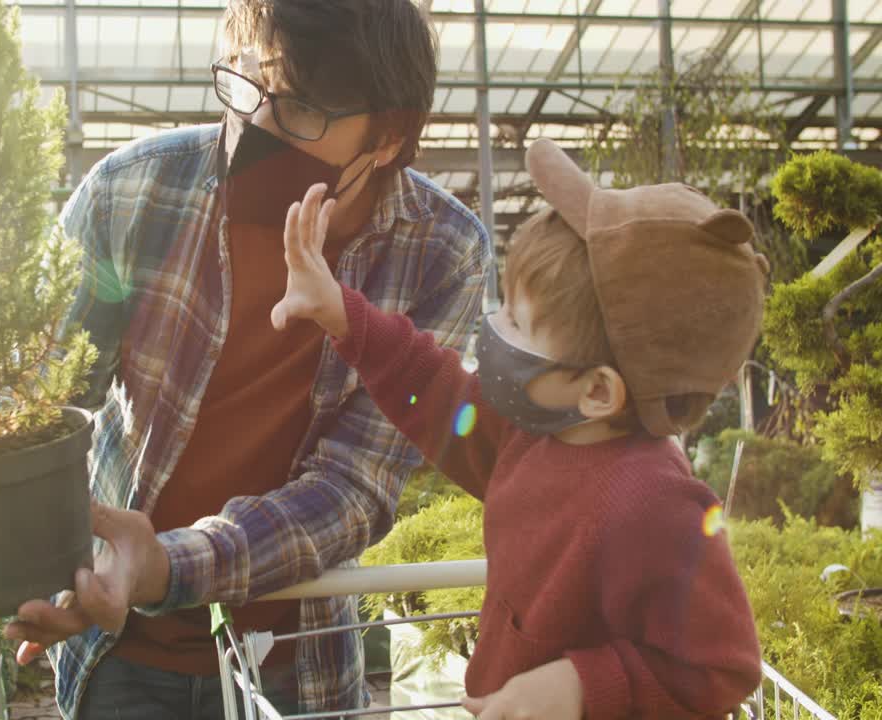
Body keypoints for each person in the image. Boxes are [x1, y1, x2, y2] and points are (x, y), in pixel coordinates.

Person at [0, 1, 491, 717]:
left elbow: (355, 485)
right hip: (117, 649)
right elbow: (30, 391)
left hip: (294, 656)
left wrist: (167, 565)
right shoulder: (135, 193)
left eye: (301, 109)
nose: (258, 128)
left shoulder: (441, 253)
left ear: (388, 137)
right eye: (248, 85)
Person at [270, 138, 766, 719]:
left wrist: (582, 685)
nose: (493, 329)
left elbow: (720, 667)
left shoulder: (656, 504)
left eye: (518, 323)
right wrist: (338, 310)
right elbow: (430, 387)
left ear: (599, 390)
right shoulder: (532, 433)